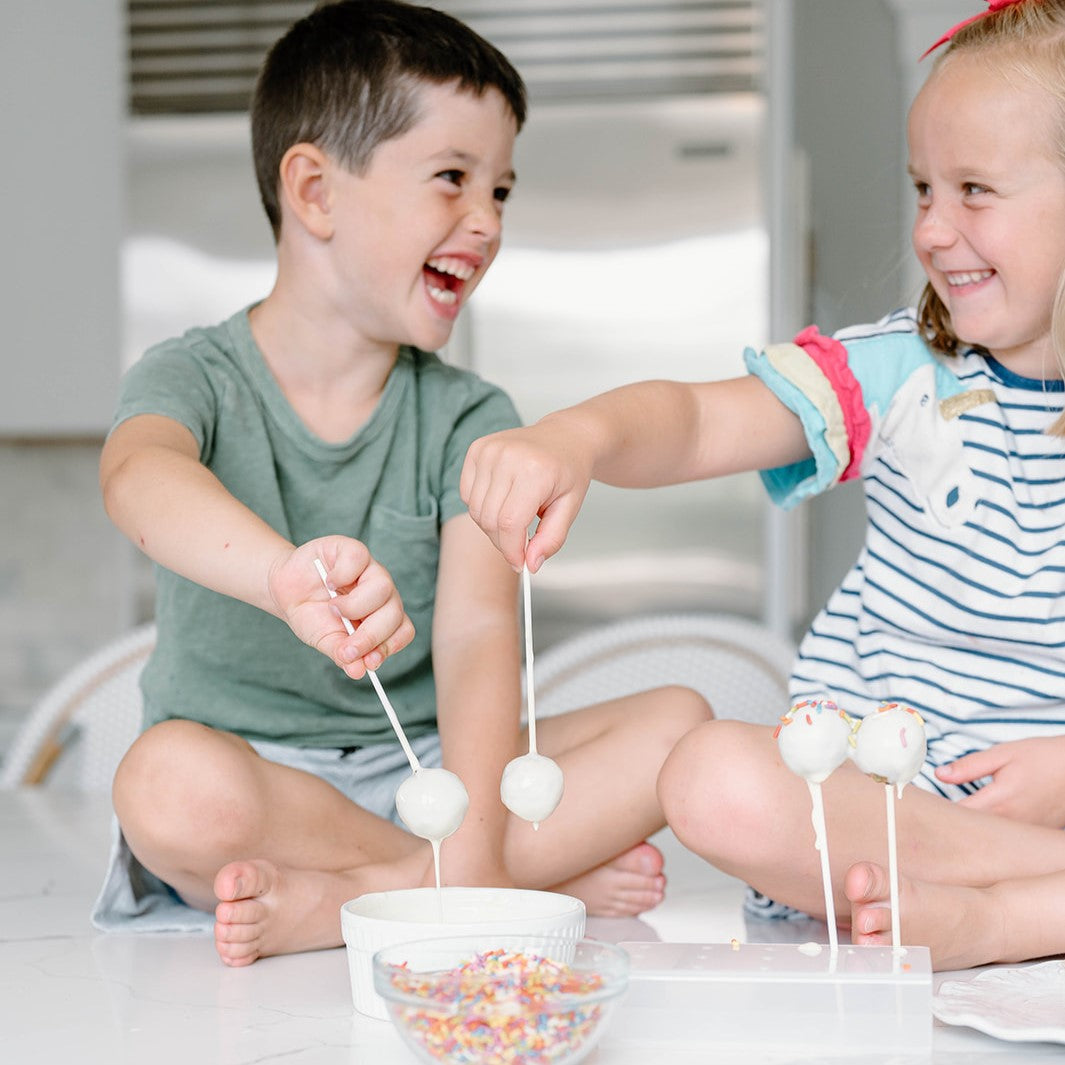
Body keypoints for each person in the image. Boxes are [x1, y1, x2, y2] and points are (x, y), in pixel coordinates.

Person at [95, 0, 711, 967]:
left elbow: (474, 638)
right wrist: (281, 577)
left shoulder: (472, 415)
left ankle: (378, 897)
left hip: (435, 772)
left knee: (678, 719)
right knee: (166, 785)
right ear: (315, 192)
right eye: (452, 179)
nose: (487, 221)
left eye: (501, 190)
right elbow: (139, 479)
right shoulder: (193, 376)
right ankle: (501, 887)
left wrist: (466, 831)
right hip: (263, 785)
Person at [460, 0, 1065, 971]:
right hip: (876, 806)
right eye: (921, 190)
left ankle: (1001, 918)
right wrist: (577, 436)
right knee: (708, 775)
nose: (934, 230)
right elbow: (699, 420)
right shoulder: (897, 374)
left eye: (975, 190)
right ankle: (1028, 894)